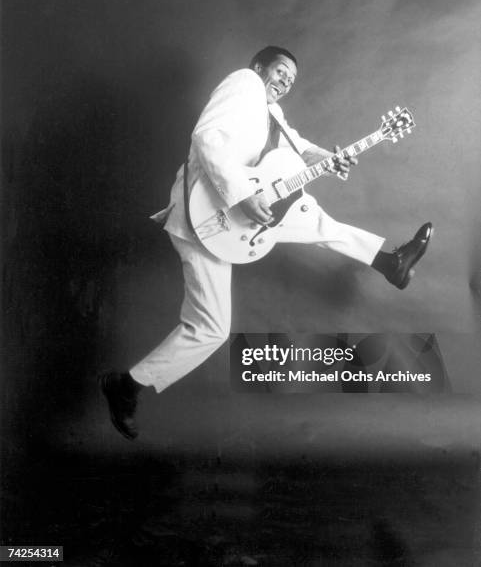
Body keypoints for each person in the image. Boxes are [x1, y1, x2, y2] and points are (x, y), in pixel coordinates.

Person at [100, 46, 432, 440]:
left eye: (291, 80)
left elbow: (296, 142)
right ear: (259, 67)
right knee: (212, 328)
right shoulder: (244, 83)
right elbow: (207, 137)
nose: (285, 82)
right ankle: (126, 387)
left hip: (235, 223)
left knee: (310, 219)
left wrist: (331, 157)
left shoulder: (270, 111)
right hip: (203, 215)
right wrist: (241, 194)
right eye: (280, 71)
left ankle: (389, 262)